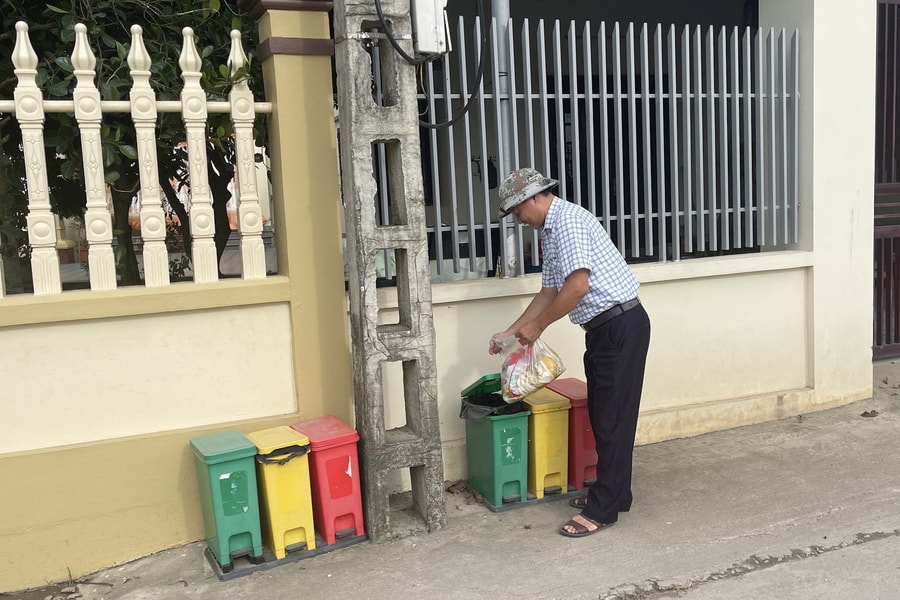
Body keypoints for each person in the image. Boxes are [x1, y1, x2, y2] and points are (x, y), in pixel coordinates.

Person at [488, 167, 651, 538]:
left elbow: (577, 286)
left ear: (534, 197)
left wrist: (538, 326)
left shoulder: (569, 222)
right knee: (605, 413)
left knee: (613, 419)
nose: (518, 219)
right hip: (603, 330)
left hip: (620, 325)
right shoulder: (550, 231)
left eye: (517, 210)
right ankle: (616, 492)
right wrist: (512, 332)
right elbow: (548, 292)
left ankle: (604, 508)